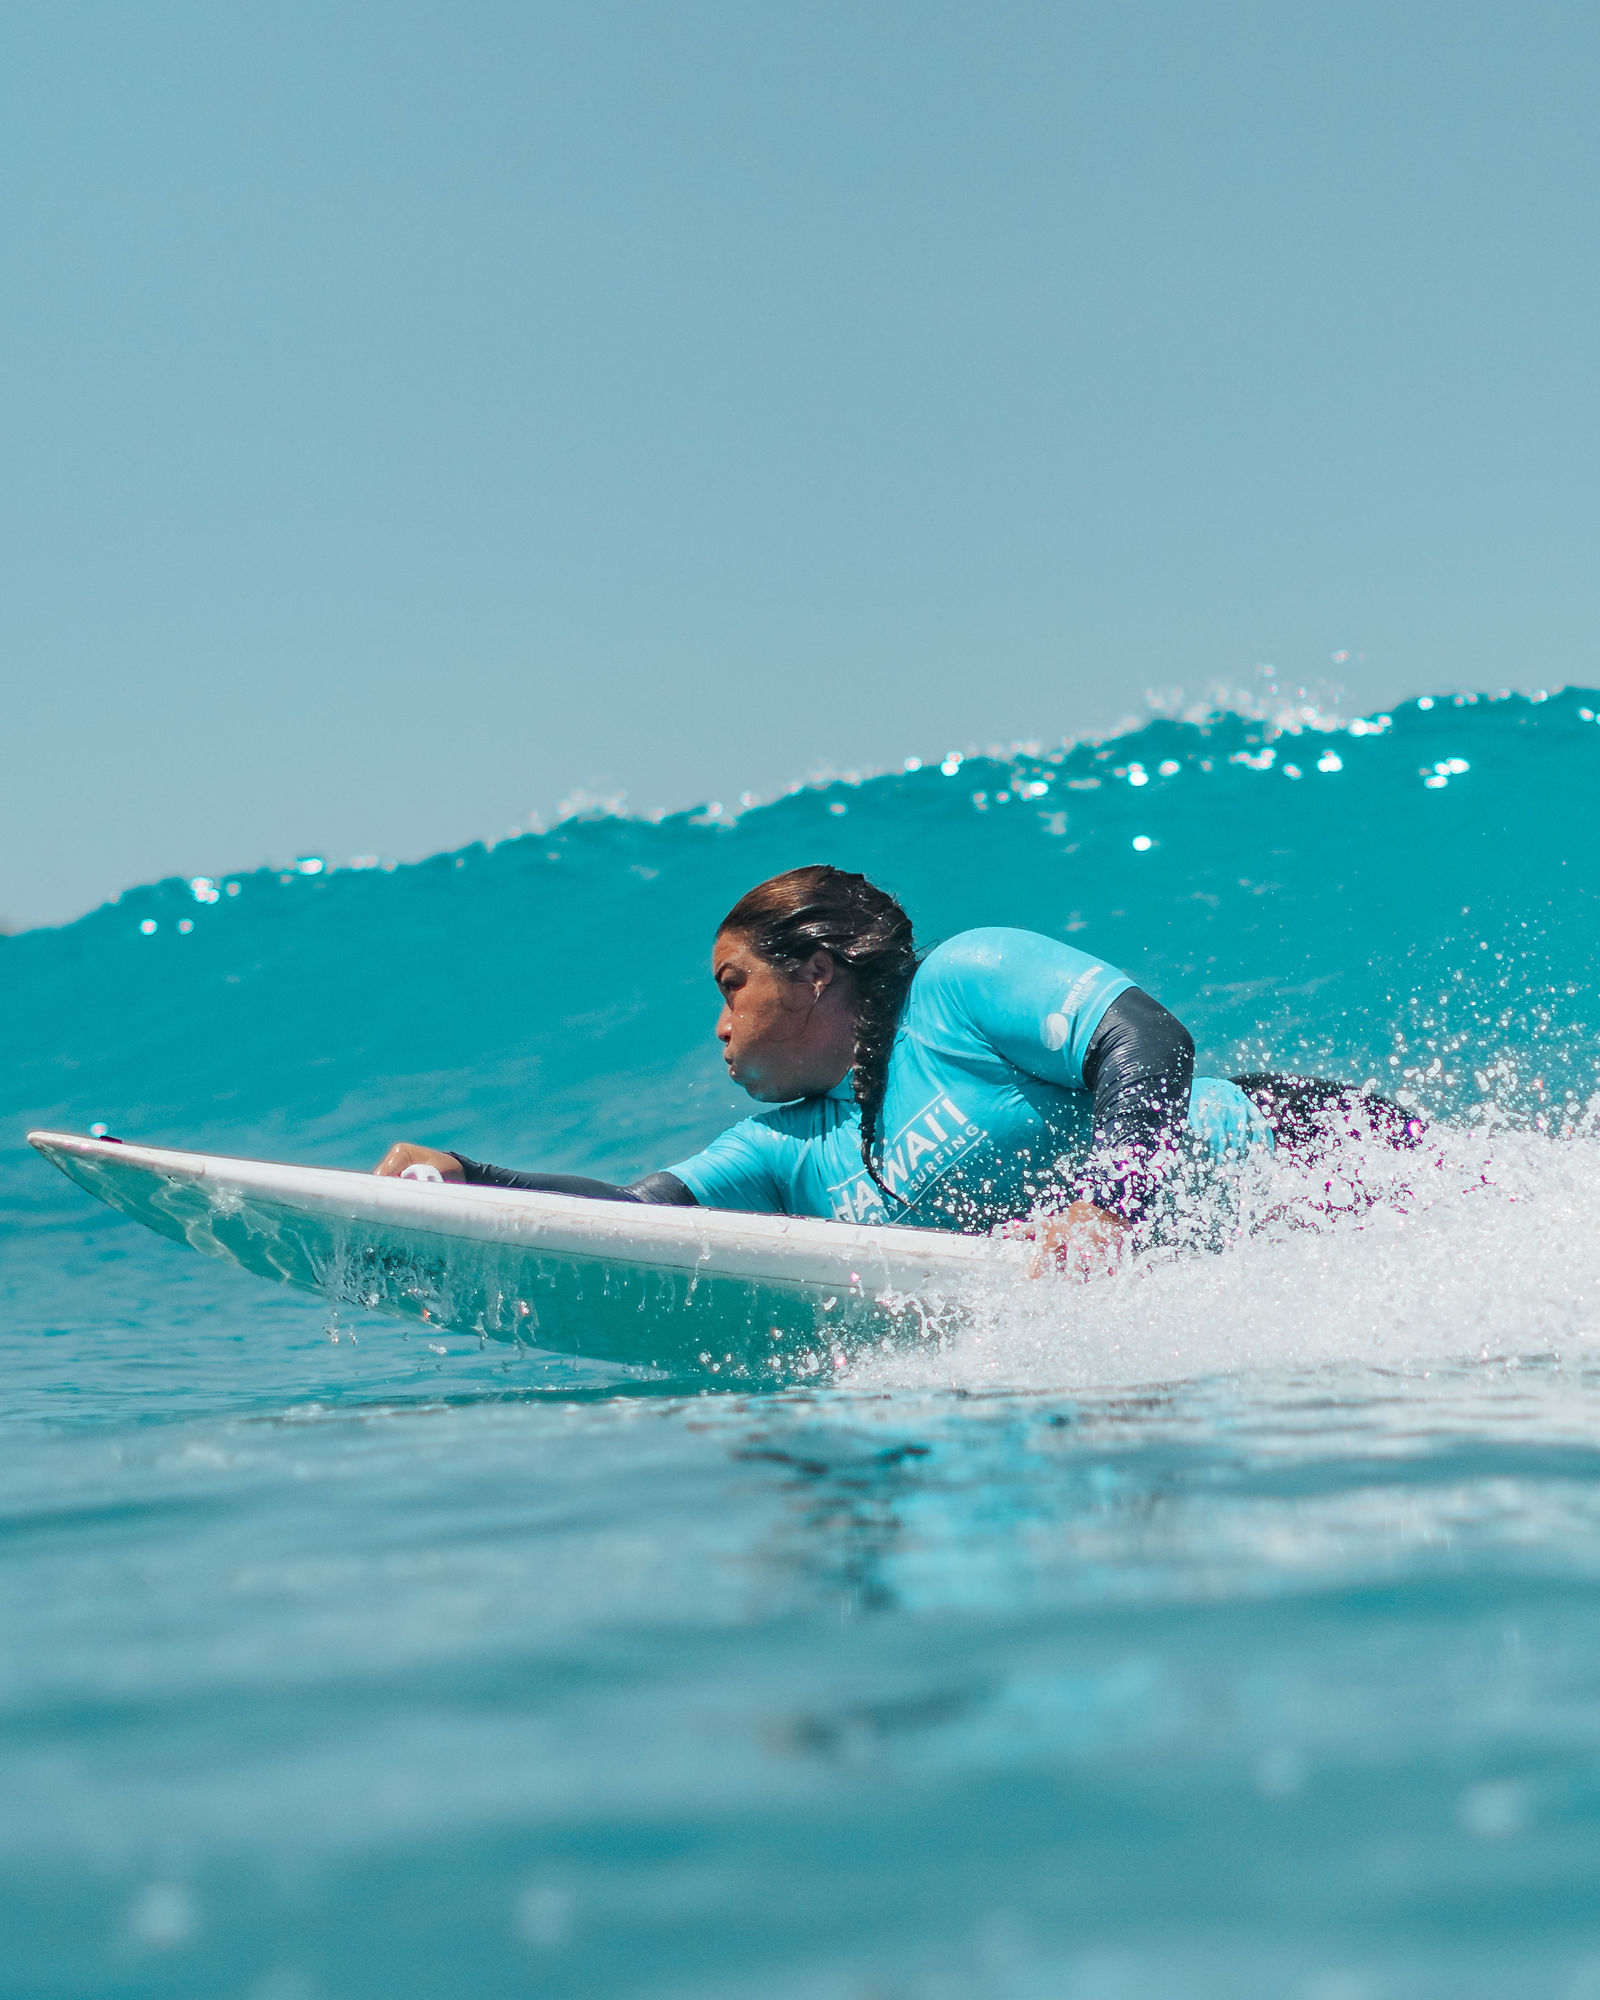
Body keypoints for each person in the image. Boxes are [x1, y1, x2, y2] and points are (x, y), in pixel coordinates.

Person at [375, 864, 1415, 1275]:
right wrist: (474, 1179)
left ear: (816, 971)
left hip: (1321, 1156)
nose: (719, 1026)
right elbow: (639, 1211)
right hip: (1265, 1258)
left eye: (732, 984)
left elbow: (1147, 1042)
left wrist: (1107, 1203)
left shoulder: (960, 986)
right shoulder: (791, 1146)